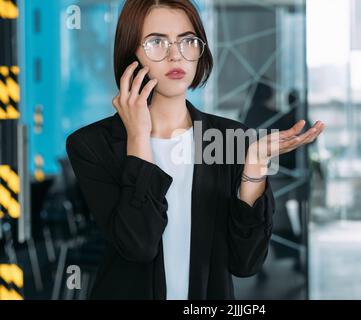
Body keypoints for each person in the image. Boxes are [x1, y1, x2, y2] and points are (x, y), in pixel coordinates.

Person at [65, 0, 325, 300]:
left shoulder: (231, 139)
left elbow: (246, 263)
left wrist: (253, 166)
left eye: (188, 41)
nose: (176, 54)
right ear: (130, 56)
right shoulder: (92, 144)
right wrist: (138, 136)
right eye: (156, 42)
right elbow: (139, 244)